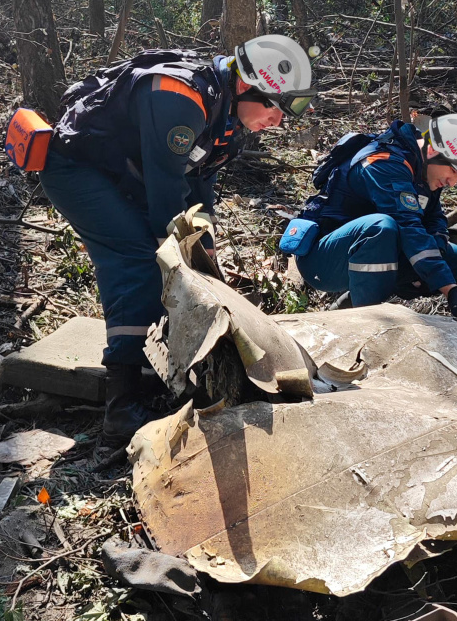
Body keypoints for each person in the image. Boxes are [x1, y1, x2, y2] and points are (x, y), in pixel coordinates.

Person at [39, 35, 316, 446]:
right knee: (138, 260)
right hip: (75, 169)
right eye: (275, 107)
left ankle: (151, 371)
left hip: (124, 177)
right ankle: (122, 402)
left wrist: (205, 251)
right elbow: (166, 189)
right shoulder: (180, 97)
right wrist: (178, 256)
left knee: (172, 261)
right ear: (246, 85)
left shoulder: (228, 120)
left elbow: (199, 187)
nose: (276, 122)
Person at [291, 114, 457, 318]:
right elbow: (407, 225)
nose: (453, 182)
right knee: (382, 227)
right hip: (322, 259)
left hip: (366, 249)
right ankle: (367, 320)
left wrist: (438, 251)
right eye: (453, 171)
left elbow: (434, 218)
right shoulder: (385, 163)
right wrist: (451, 290)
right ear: (433, 150)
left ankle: (353, 300)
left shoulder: (424, 168)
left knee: (452, 257)